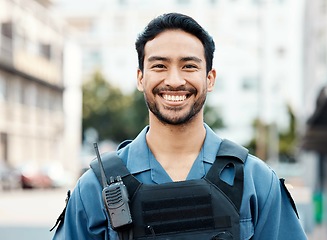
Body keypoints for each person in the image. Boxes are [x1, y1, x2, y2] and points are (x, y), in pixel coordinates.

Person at [52, 12, 307, 240]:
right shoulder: (95, 187)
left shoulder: (256, 181)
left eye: (189, 66)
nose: (174, 80)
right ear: (141, 78)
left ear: (210, 79)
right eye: (160, 65)